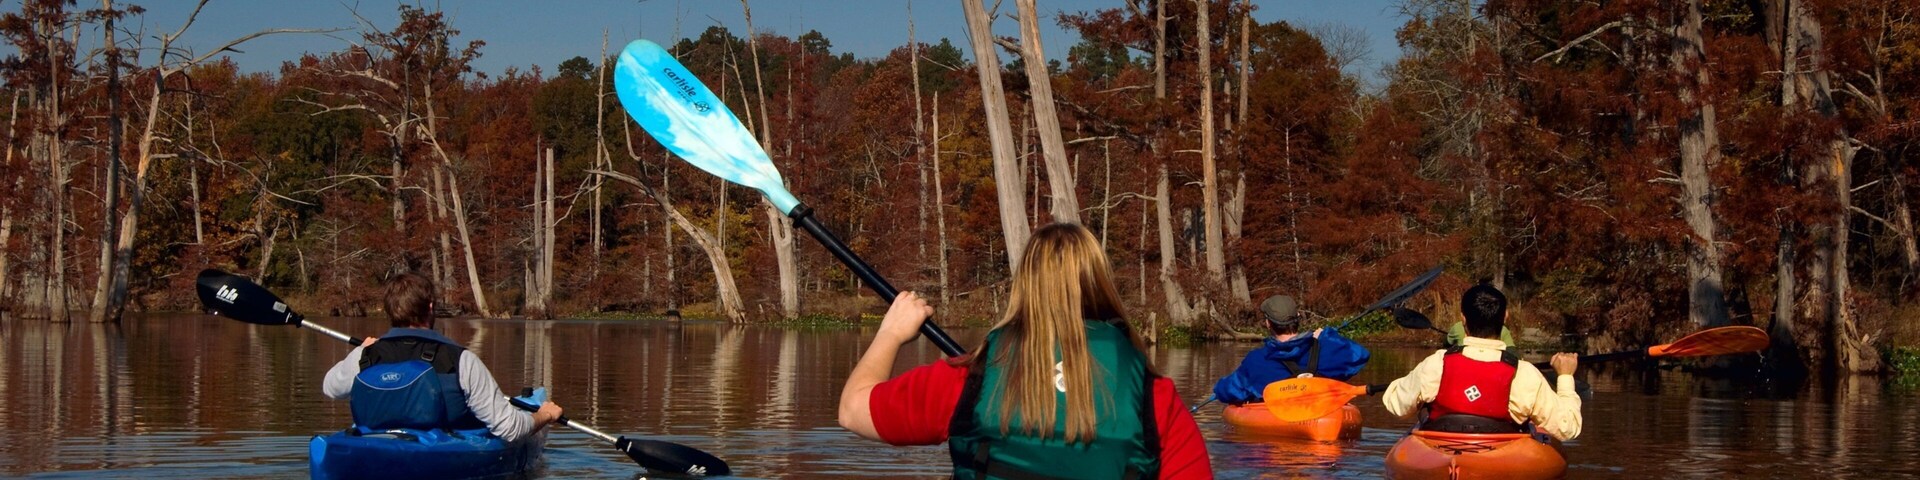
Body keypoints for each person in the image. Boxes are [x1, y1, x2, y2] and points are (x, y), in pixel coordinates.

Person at [837, 223, 1212, 479]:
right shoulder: (1154, 397)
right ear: (1101, 284)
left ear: (1025, 286)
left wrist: (891, 333)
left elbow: (853, 410)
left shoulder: (970, 379)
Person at [322, 272, 562, 442]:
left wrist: (361, 351)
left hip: (375, 449)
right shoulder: (461, 360)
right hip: (441, 458)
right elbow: (510, 428)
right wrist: (544, 415)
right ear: (430, 307)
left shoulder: (365, 355)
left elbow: (330, 388)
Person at [1382, 283, 1582, 440]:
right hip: (1501, 459)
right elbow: (1567, 428)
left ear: (1463, 319)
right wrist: (1565, 377)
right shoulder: (1524, 373)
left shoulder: (1436, 364)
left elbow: (1396, 405)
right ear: (1505, 317)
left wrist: (1405, 386)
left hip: (1440, 451)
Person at [1210, 295, 1370, 405]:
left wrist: (1218, 389)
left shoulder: (1257, 360)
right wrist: (1327, 337)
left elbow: (1228, 391)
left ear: (1268, 324)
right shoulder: (1327, 348)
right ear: (1298, 317)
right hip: (1323, 416)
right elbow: (1361, 355)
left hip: (1280, 420)